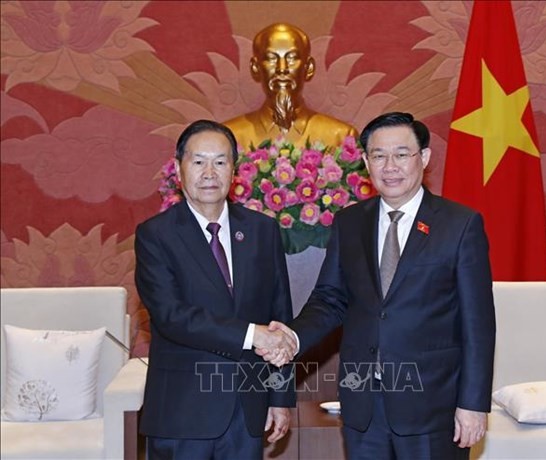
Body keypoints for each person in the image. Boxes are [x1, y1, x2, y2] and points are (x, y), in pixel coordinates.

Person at [261, 112, 496, 459]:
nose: (391, 166)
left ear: (424, 158)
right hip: (363, 406)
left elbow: (478, 324)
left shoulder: (459, 225)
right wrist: (293, 338)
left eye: (402, 154)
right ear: (366, 163)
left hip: (432, 406)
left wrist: (473, 404)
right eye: (379, 156)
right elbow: (330, 299)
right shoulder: (350, 222)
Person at [134, 119, 297, 459]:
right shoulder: (156, 235)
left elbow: (279, 315)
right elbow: (171, 316)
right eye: (198, 161)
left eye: (220, 162)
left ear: (234, 172)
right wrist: (253, 335)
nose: (210, 172)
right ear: (179, 171)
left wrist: (279, 398)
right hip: (181, 415)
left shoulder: (262, 230)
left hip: (246, 412)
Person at [224, 23, 357, 150]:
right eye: (271, 58)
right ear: (255, 68)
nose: (282, 69)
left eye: (292, 58)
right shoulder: (228, 137)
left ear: (309, 67)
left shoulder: (341, 137)